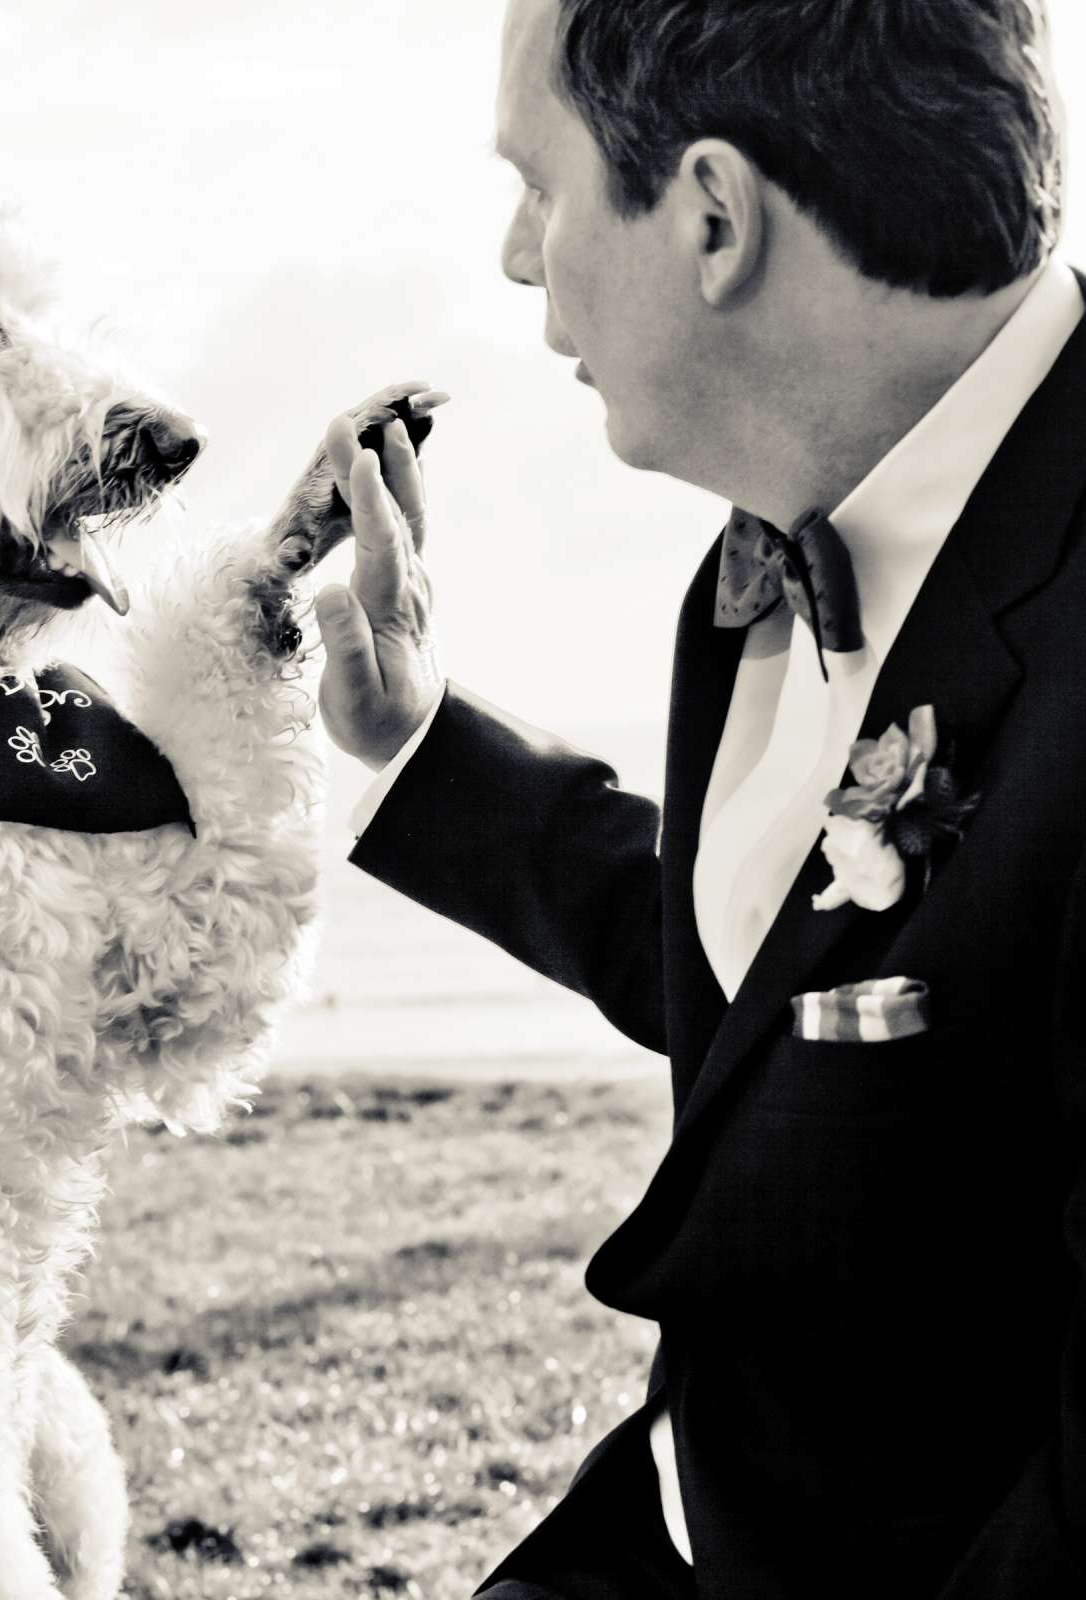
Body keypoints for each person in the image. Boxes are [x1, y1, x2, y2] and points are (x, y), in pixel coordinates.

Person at [315, 0, 1084, 1594]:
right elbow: (778, 1001)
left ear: (715, 216)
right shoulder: (752, 573)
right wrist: (421, 740)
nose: (522, 258)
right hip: (667, 1515)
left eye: (545, 185)